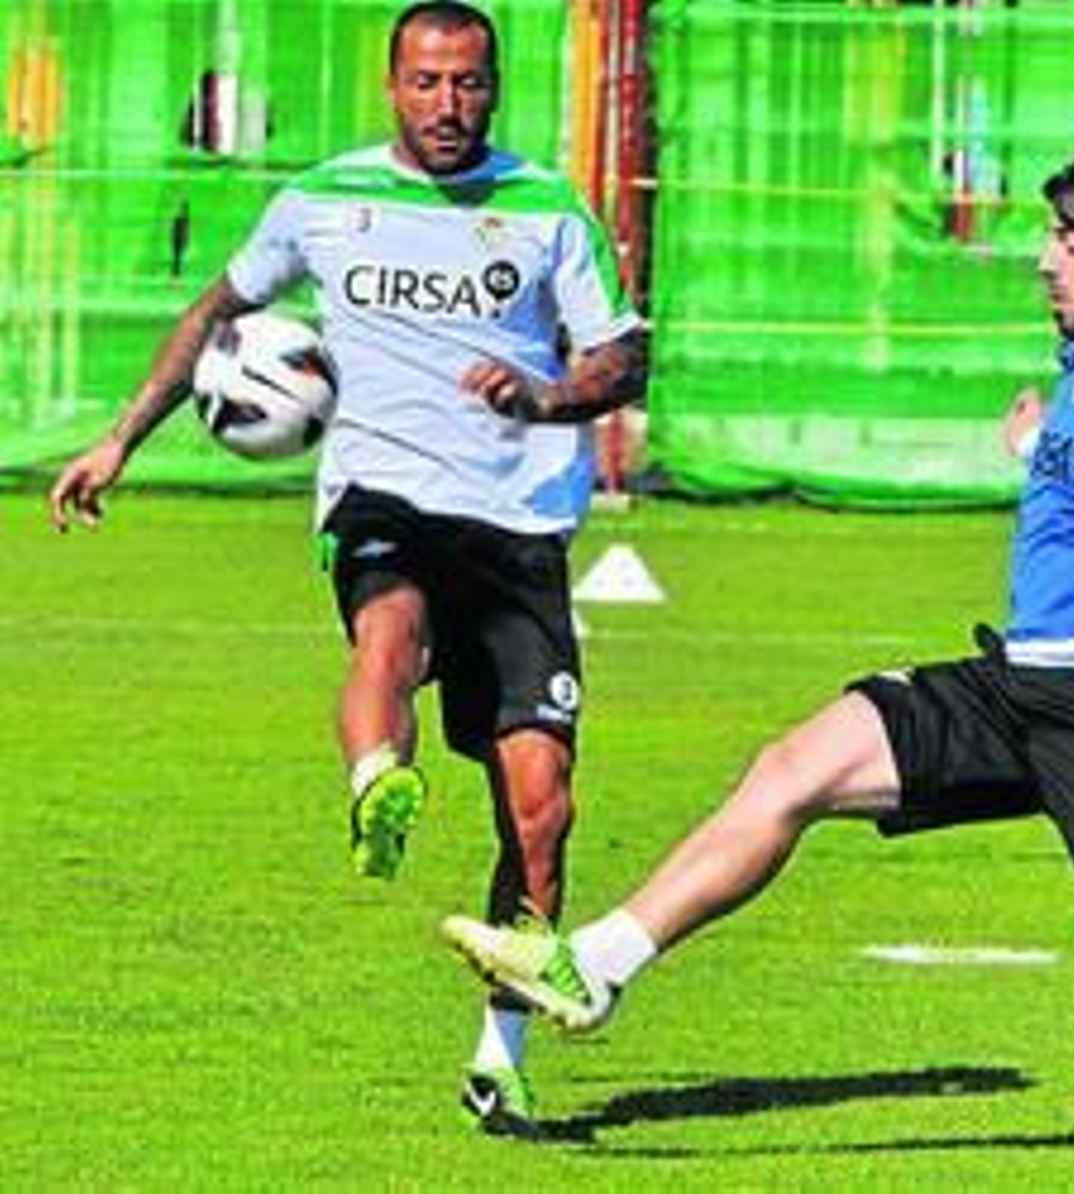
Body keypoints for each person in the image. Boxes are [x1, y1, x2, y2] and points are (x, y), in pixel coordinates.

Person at [439, 148, 1074, 1178]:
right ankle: (598, 966)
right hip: (1015, 677)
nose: (1044, 261)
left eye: (1073, 242)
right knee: (791, 767)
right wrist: (1037, 450)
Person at [47, 0, 645, 1142]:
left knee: (541, 810)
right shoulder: (323, 200)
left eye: (468, 83)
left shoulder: (545, 208)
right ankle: (379, 776)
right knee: (389, 633)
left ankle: (498, 1062)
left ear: (496, 84)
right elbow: (216, 309)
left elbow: (621, 356)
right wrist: (119, 438)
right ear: (392, 86)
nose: (448, 106)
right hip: (383, 492)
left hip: (519, 530)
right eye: (426, 82)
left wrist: (550, 396)